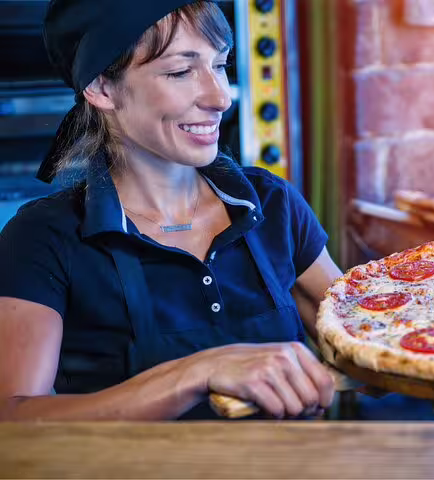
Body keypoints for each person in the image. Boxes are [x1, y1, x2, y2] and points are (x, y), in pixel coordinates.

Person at [0, 0, 341, 421]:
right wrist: (199, 371)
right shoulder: (44, 238)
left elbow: (363, 344)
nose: (220, 98)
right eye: (181, 71)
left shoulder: (272, 202)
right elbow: (11, 420)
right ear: (103, 88)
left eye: (220, 65)